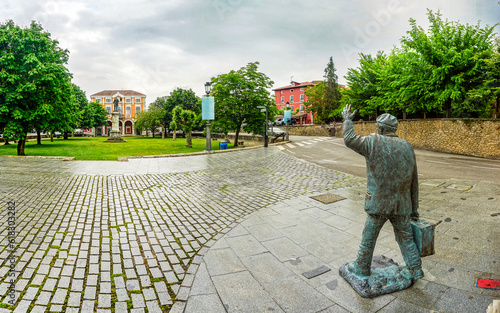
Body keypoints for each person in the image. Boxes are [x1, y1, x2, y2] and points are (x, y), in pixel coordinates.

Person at [342, 104, 423, 280]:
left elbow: (349, 139)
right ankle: (415, 269)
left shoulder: (373, 141)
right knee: (406, 238)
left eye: (378, 126)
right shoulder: (407, 147)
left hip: (378, 203)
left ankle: (361, 269)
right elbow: (414, 182)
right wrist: (414, 209)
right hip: (402, 205)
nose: (377, 129)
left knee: (369, 238)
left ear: (382, 128)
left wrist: (348, 120)